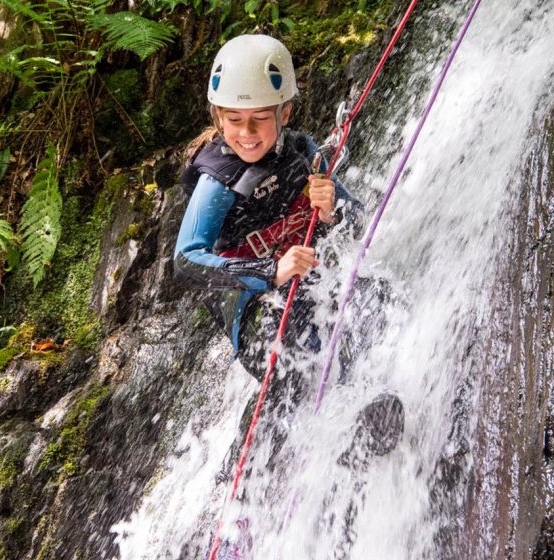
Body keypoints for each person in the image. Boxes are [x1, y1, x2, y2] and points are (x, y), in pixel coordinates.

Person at [173, 33, 404, 559]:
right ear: (217, 116)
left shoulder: (304, 157)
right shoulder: (219, 180)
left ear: (286, 110)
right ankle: (237, 517)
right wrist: (268, 271)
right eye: (233, 120)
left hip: (303, 288)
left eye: (258, 119)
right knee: (292, 358)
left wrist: (331, 211)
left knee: (374, 298)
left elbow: (359, 221)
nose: (246, 132)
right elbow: (186, 260)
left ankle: (362, 418)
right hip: (253, 311)